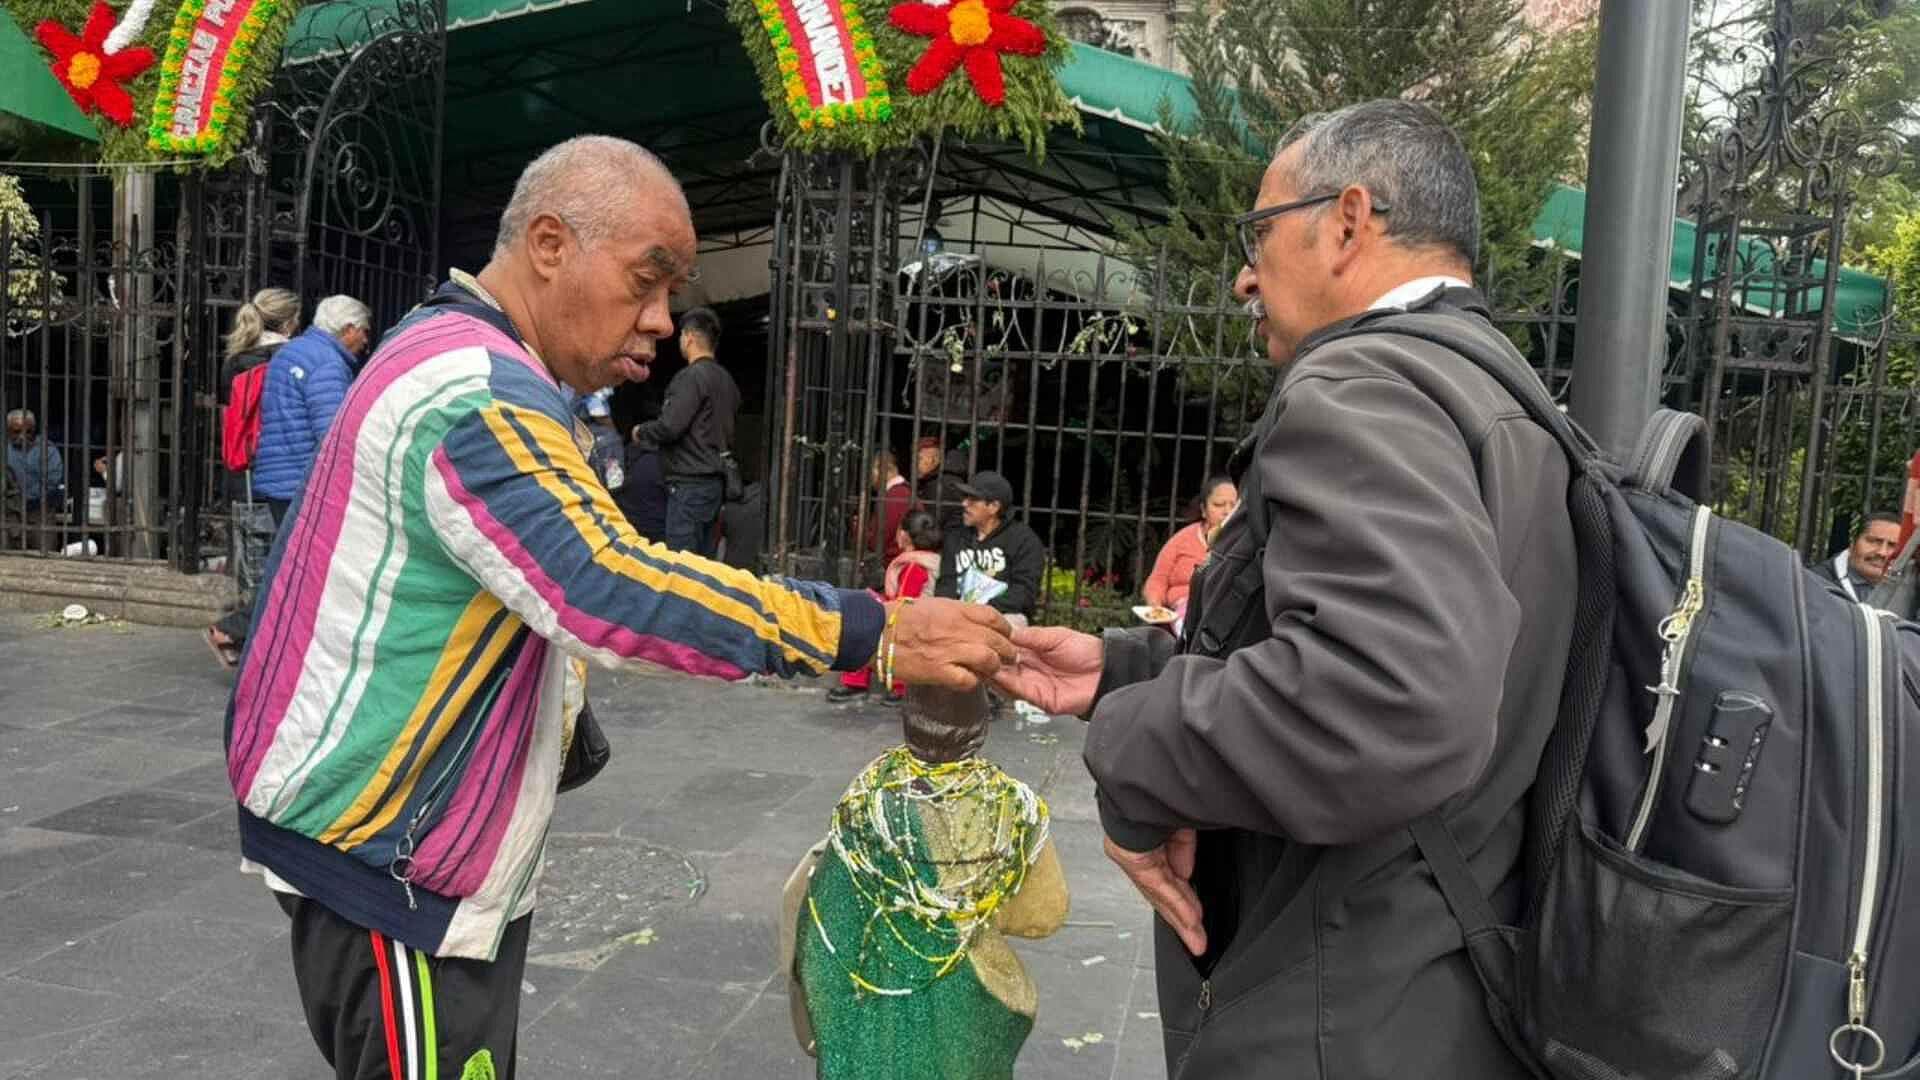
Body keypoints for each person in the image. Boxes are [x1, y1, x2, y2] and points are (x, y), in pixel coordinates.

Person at [224, 136, 1014, 1080]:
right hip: (391, 862)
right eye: (647, 281)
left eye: (671, 292)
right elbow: (610, 587)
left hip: (388, 838)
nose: (658, 319)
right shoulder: (479, 393)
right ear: (550, 244)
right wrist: (871, 631)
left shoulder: (456, 351)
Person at [995, 100, 1577, 1079]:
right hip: (1438, 991)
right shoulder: (1502, 397)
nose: (1242, 274)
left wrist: (1131, 751)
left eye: (1258, 231)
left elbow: (1391, 698)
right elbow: (1387, 636)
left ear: (1349, 221)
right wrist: (1130, 667)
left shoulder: (1365, 387)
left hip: (1336, 1003)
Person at [786, 682, 1067, 1079]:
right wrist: (975, 902)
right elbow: (1046, 914)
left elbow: (824, 921)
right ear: (981, 727)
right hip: (971, 1004)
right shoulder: (1011, 807)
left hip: (870, 1013)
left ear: (907, 721)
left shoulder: (868, 797)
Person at [204, 287, 301, 667]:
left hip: (241, 468)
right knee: (282, 560)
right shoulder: (289, 358)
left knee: (253, 558)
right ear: (291, 320)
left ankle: (249, 636)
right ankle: (240, 632)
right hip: (281, 470)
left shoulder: (235, 361)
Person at [250, 293, 373, 523]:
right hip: (305, 482)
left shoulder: (287, 352)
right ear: (348, 329)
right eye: (364, 331)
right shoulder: (328, 363)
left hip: (277, 476)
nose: (366, 340)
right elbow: (331, 434)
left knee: (286, 554)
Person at [633, 305, 740, 557]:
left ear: (689, 337)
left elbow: (670, 426)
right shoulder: (727, 381)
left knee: (682, 566)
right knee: (705, 564)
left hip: (689, 487)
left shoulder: (690, 378)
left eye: (681, 336)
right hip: (715, 486)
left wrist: (641, 432)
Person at [828, 509, 943, 704]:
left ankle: (858, 682)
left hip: (910, 622)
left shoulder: (914, 566)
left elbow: (903, 605)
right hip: (916, 617)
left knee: (860, 624)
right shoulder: (925, 560)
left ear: (904, 535)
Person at [935, 470, 1044, 622]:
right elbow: (946, 584)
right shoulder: (956, 536)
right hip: (957, 615)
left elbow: (1024, 593)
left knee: (1013, 622)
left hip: (1001, 615)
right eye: (965, 497)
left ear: (993, 507)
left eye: (973, 499)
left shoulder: (1024, 541)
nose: (964, 504)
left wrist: (983, 611)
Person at [1141, 475, 1236, 613]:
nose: (1227, 512)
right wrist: (1155, 606)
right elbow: (1158, 579)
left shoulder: (1248, 542)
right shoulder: (1183, 539)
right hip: (1182, 610)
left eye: (1234, 506)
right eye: (1219, 505)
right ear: (1203, 510)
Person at [4, 408, 66, 549]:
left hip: (40, 513)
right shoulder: (4, 449)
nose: (22, 436)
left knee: (44, 558)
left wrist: (19, 496)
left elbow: (52, 481)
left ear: (35, 430)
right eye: (16, 432)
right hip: (9, 515)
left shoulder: (48, 450)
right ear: (8, 431)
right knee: (8, 560)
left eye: (28, 432)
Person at [1814, 512, 1900, 602]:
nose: (1882, 553)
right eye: (1874, 541)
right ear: (1853, 543)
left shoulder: (1908, 589)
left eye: (1892, 545)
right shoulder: (1816, 582)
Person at [863, 448, 916, 564]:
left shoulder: (896, 496)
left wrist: (859, 529)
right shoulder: (899, 493)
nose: (869, 477)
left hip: (897, 565)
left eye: (870, 470)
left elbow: (878, 543)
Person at [912, 435, 967, 531]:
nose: (914, 464)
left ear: (934, 459)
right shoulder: (945, 479)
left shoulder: (939, 485)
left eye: (919, 459)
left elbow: (928, 529)